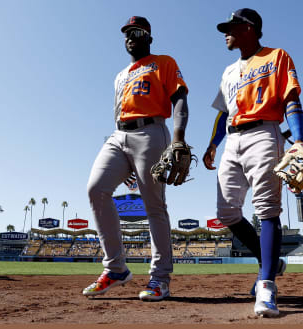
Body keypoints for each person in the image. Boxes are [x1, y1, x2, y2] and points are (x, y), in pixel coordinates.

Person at [203, 8, 303, 317]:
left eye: (232, 27)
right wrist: (212, 145)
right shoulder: (228, 71)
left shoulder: (276, 56)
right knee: (226, 212)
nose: (226, 32)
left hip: (264, 133)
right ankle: (271, 262)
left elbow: (291, 98)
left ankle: (266, 286)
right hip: (232, 141)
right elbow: (223, 113)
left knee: (266, 208)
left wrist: (299, 138)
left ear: (249, 28)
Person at [83, 16, 189, 302]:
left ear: (149, 36)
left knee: (154, 204)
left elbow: (179, 99)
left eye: (137, 31)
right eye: (127, 32)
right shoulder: (120, 75)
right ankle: (115, 268)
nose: (131, 36)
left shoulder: (163, 62)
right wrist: (124, 159)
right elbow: (119, 113)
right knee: (96, 189)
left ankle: (160, 279)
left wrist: (178, 138)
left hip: (151, 132)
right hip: (119, 135)